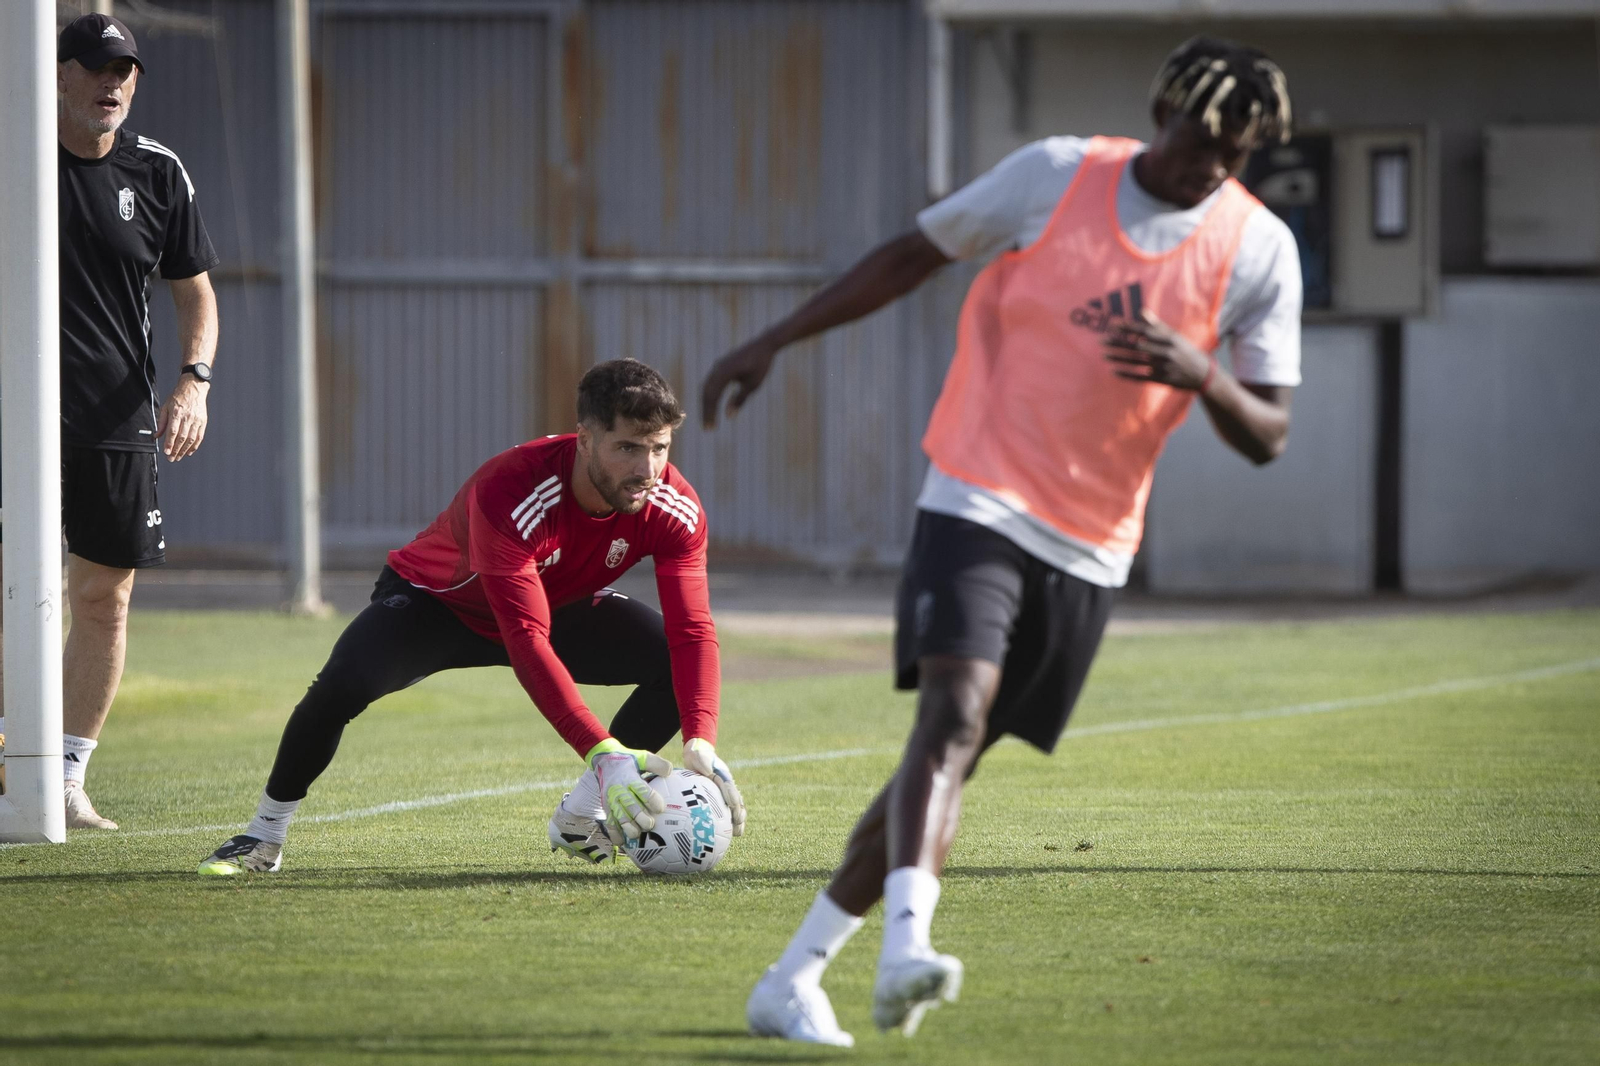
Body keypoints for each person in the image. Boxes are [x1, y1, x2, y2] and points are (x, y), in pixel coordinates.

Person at [705, 37, 1301, 1046]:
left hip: (1093, 539)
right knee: (952, 711)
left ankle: (793, 977)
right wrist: (773, 339)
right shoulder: (1057, 174)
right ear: (1162, 110)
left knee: (948, 757)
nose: (1210, 165)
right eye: (1201, 137)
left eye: (1235, 153)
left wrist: (1200, 370)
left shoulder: (1257, 250)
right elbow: (911, 254)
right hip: (977, 490)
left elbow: (1269, 434)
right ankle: (906, 954)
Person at [197, 359, 746, 876]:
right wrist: (605, 753)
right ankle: (263, 835)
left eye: (659, 448)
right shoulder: (512, 488)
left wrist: (701, 739)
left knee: (669, 661)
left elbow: (693, 631)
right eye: (627, 447)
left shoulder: (673, 505)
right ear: (584, 439)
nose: (646, 469)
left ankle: (582, 818)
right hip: (438, 605)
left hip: (554, 606)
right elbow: (526, 639)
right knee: (342, 685)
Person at [0, 14, 220, 830]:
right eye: (94, 67)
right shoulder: (12, 156)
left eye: (123, 69)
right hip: (14, 416)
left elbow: (196, 292)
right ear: (55, 75)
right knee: (11, 589)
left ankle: (61, 773)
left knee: (104, 601)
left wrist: (194, 383)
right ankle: (3, 760)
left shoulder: (157, 171)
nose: (112, 82)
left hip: (116, 417)